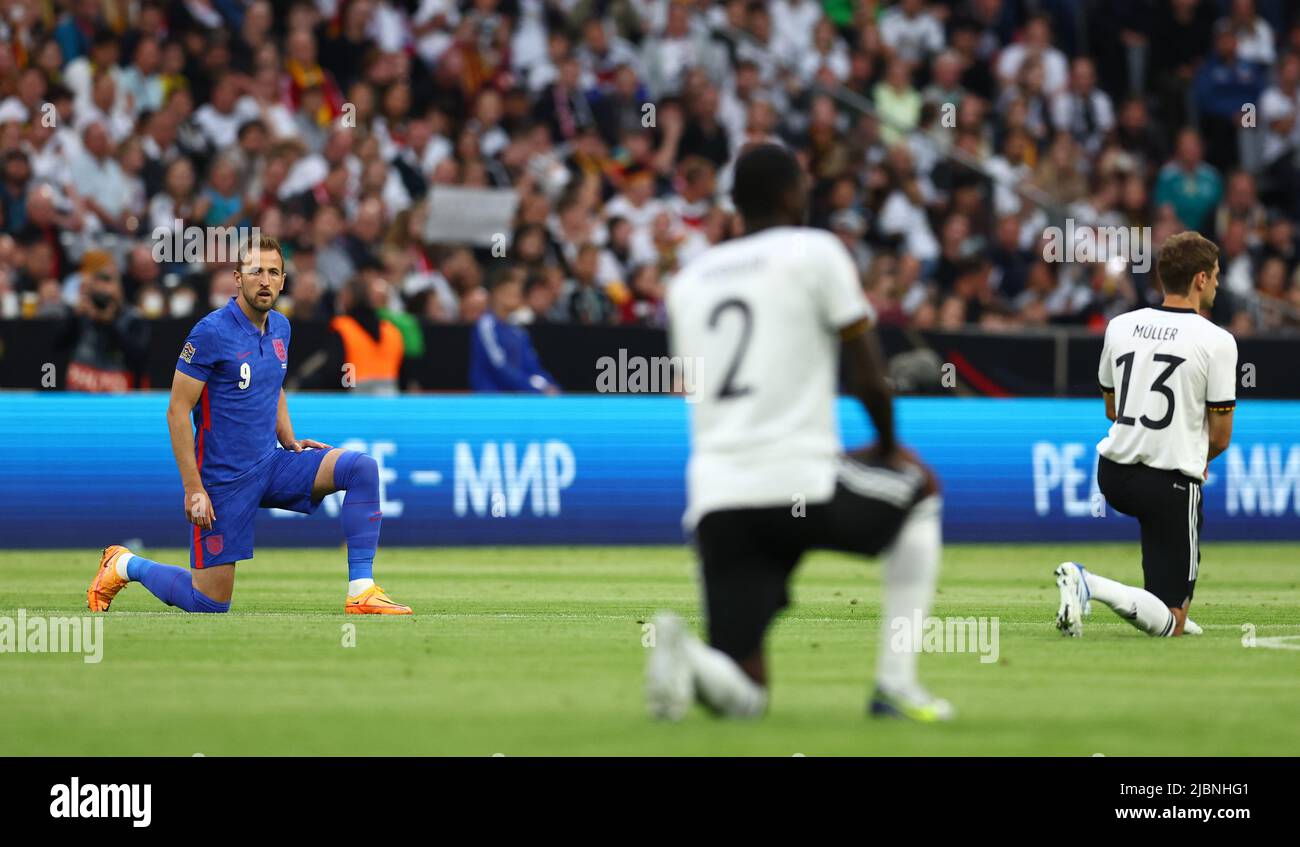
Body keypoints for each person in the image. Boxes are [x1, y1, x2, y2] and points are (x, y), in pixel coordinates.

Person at [646, 144, 952, 723]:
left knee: (747, 694)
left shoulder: (688, 281)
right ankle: (895, 684)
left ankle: (685, 654)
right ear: (792, 195)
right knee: (922, 491)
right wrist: (887, 447)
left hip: (718, 498)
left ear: (735, 204)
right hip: (803, 482)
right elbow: (868, 370)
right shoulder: (816, 251)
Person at [86, 236, 412, 615]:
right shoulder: (211, 333)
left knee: (361, 469)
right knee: (207, 602)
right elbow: (177, 411)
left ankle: (361, 591)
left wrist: (287, 437)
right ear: (238, 278)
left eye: (274, 272)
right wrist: (194, 489)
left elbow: (274, 384)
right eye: (256, 271)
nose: (265, 280)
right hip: (222, 480)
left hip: (270, 464)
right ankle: (124, 564)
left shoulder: (281, 329)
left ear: (283, 281)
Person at [1055, 232, 1236, 639]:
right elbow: (1221, 436)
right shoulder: (1218, 341)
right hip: (1170, 481)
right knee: (1173, 623)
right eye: (1217, 275)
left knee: (1160, 603)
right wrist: (1195, 456)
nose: (1219, 284)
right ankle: (1088, 584)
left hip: (1114, 475)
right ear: (1201, 280)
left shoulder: (1120, 326)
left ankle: (1161, 607)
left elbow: (1111, 408)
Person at [469, 270, 560, 393]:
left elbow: (532, 366)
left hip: (517, 399)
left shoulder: (518, 331)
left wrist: (549, 385)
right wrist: (533, 387)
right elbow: (499, 365)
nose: (515, 296)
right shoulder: (486, 325)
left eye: (517, 293)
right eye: (509, 292)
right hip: (491, 399)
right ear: (497, 294)